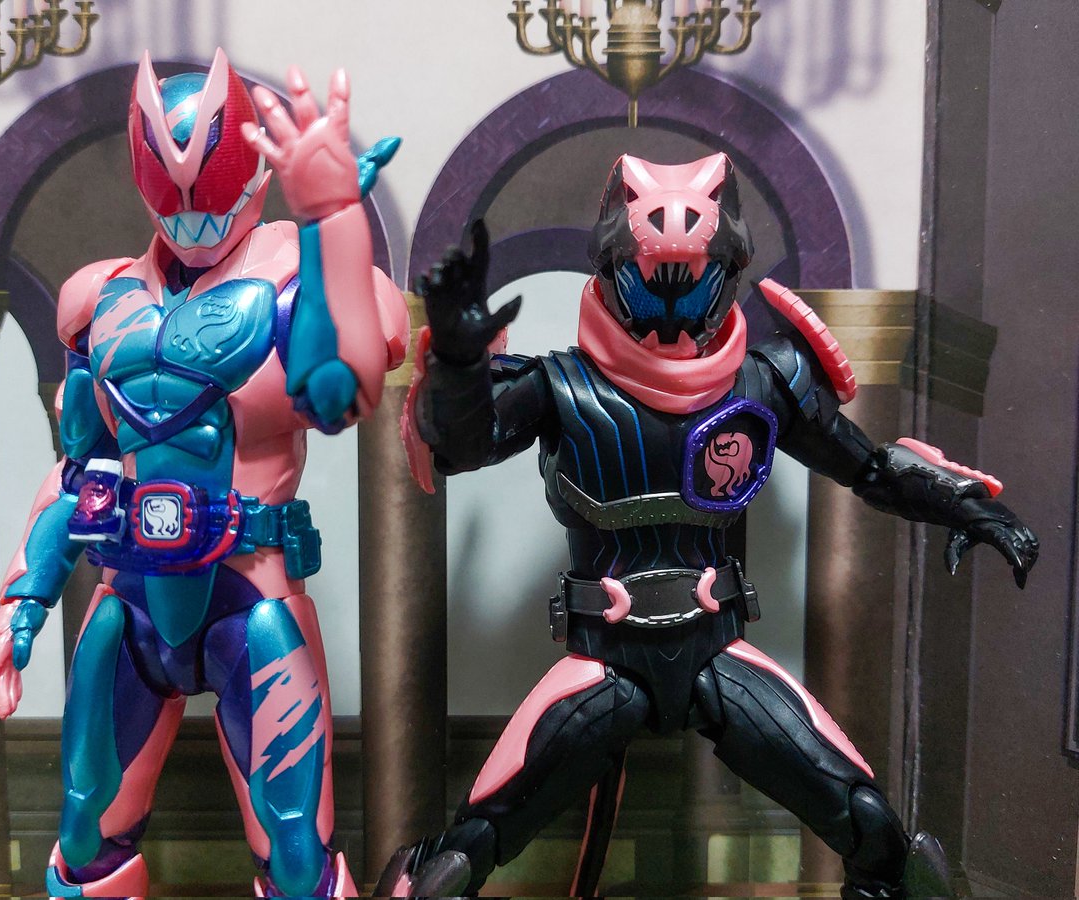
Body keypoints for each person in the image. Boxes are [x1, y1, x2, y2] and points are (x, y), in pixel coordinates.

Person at [384, 153, 1038, 899]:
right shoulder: (557, 386)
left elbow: (869, 468)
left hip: (715, 653)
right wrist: (459, 363)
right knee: (460, 858)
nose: (671, 305)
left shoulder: (762, 380)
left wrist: (964, 502)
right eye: (652, 281)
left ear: (725, 275)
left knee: (873, 830)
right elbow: (460, 443)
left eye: (691, 280)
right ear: (613, 272)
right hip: (607, 662)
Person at [0, 49, 408, 898]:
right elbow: (81, 473)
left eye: (209, 188)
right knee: (85, 836)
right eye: (172, 192)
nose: (193, 216)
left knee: (296, 857)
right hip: (130, 605)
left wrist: (334, 222)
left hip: (250, 605)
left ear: (252, 173)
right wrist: (22, 598)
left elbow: (341, 392)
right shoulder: (101, 303)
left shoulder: (295, 282)